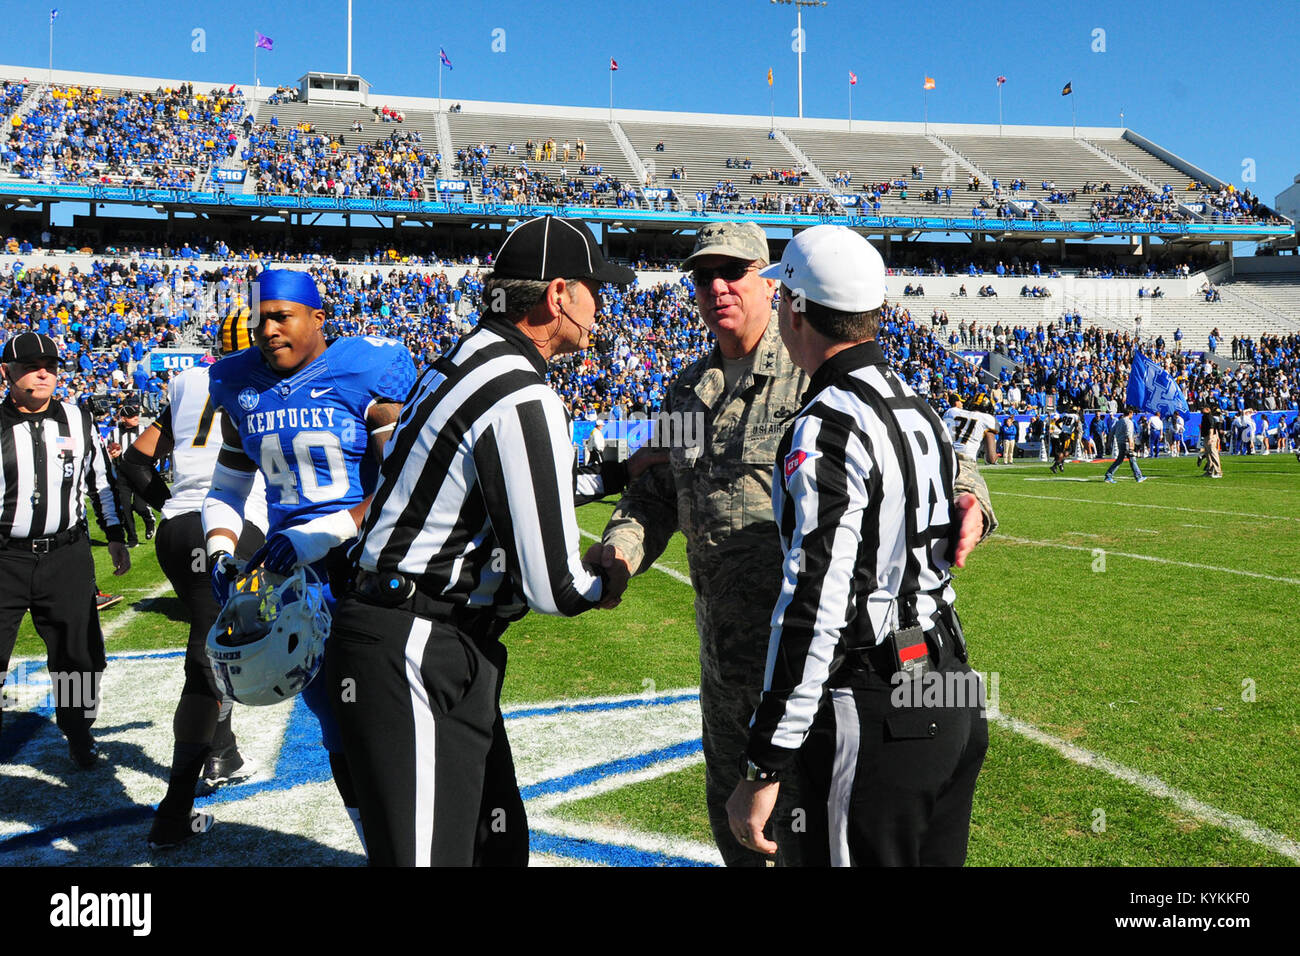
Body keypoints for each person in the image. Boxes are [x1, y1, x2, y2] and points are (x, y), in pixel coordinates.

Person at [593, 223, 994, 866]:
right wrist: (620, 552)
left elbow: (925, 450)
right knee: (744, 839)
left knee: (818, 836)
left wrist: (973, 500)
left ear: (772, 282)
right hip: (728, 667)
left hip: (815, 661)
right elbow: (654, 489)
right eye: (703, 275)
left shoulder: (815, 370)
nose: (718, 286)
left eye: (735, 272)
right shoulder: (685, 393)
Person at [325, 215, 637, 866]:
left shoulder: (463, 362)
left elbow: (508, 485)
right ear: (558, 296)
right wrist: (610, 573)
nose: (599, 306)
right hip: (415, 643)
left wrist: (621, 471)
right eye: (592, 288)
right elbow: (555, 587)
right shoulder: (520, 391)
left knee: (495, 848)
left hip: (418, 636)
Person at [724, 226, 988, 866]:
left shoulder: (827, 420)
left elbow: (817, 600)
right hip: (947, 681)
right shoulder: (916, 406)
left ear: (798, 310)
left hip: (874, 700)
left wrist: (765, 762)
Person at [203, 268, 417, 850]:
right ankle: (378, 846)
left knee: (392, 715)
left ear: (317, 319)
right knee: (335, 724)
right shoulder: (241, 387)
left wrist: (318, 534)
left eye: (281, 316)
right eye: (260, 318)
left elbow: (406, 485)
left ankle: (427, 840)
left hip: (374, 568)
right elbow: (224, 489)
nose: (267, 330)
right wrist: (221, 550)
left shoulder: (361, 370)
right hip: (299, 582)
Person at [119, 311, 269, 848]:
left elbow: (133, 464)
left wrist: (171, 507)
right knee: (210, 658)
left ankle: (223, 753)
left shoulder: (184, 384)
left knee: (216, 644)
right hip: (232, 525)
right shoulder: (268, 379)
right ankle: (174, 809)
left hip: (179, 527)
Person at [0, 332, 130, 769]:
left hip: (66, 556)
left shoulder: (78, 419)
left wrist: (114, 533)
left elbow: (101, 481)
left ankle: (79, 732)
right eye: (30, 366)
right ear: (6, 373)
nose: (42, 373)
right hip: (4, 557)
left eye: (51, 366)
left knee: (77, 654)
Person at [108, 403, 157, 547]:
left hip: (140, 473)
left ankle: (149, 520)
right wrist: (113, 454)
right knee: (124, 508)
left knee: (139, 506)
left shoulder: (144, 430)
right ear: (123, 418)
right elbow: (107, 453)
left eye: (136, 415)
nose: (136, 418)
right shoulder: (113, 434)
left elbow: (153, 450)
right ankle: (132, 539)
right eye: (131, 416)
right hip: (122, 475)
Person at [1104, 408, 1146, 483]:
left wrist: (1108, 443)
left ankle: (1109, 475)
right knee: (1132, 459)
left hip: (1119, 442)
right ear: (1130, 413)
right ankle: (1138, 477)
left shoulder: (1118, 421)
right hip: (1126, 442)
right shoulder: (1129, 422)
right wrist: (1131, 446)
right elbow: (1129, 434)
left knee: (1121, 459)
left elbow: (1111, 433)